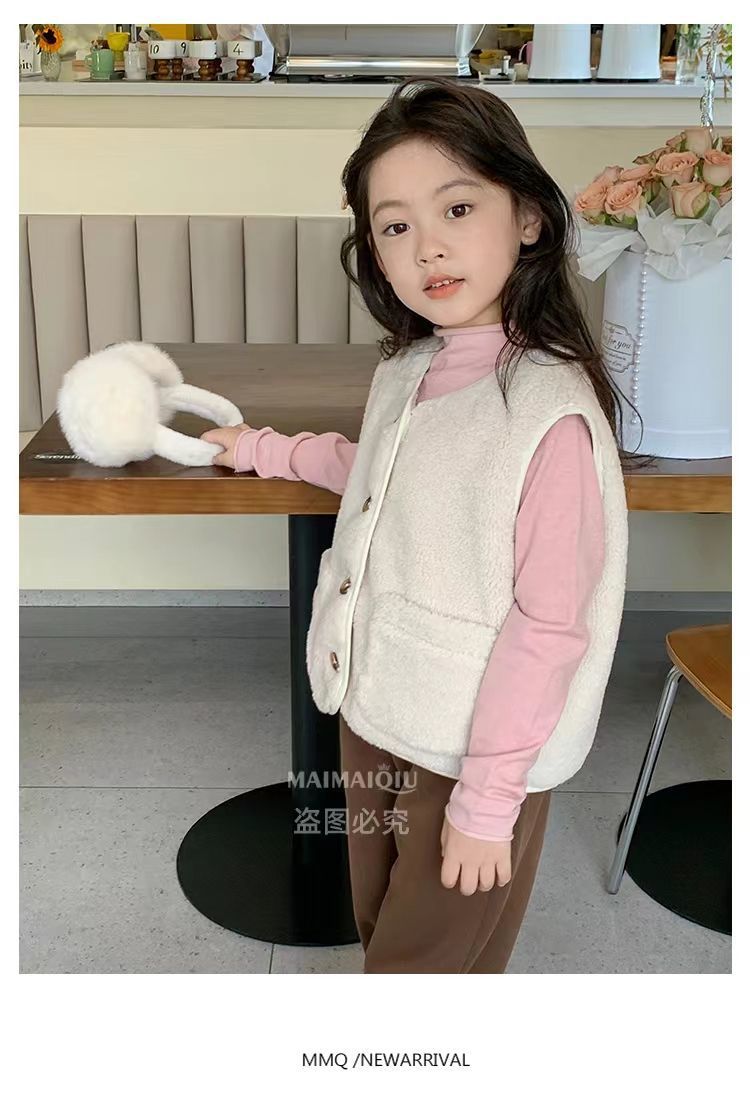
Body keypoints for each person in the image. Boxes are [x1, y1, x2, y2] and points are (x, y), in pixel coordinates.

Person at [201, 76, 637, 974]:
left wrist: (487, 804)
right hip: (376, 705)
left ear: (528, 218)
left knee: (418, 967)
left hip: (473, 754)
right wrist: (264, 448)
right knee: (382, 927)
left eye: (458, 208)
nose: (427, 245)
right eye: (395, 226)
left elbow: (550, 626)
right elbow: (378, 473)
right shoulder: (412, 366)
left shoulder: (548, 415)